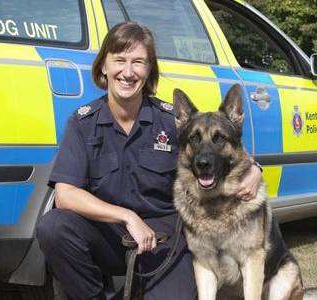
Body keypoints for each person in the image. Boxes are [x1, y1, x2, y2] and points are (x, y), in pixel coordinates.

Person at [36, 21, 262, 300]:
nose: (128, 72)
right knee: (53, 226)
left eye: (138, 62)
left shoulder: (171, 121)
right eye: (119, 60)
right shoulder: (83, 123)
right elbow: (65, 195)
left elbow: (218, 151)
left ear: (149, 70)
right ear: (103, 66)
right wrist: (127, 217)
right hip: (107, 234)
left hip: (164, 241)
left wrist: (256, 171)